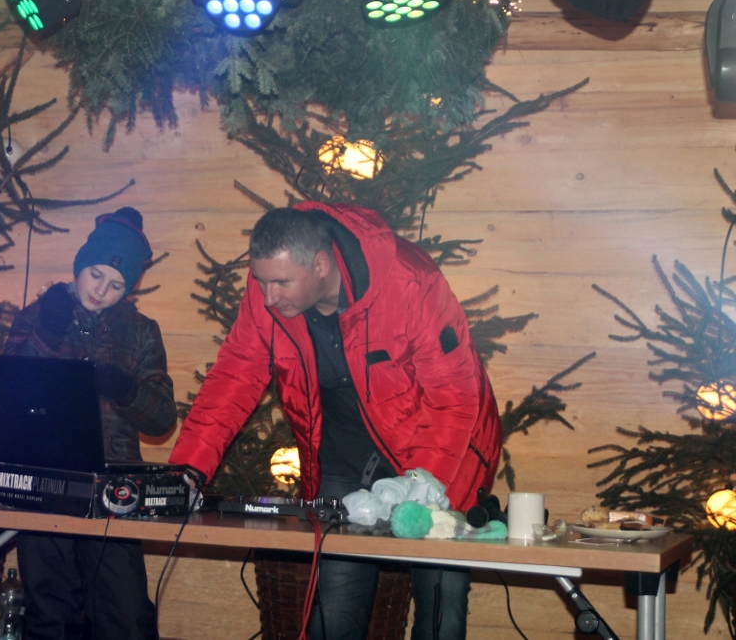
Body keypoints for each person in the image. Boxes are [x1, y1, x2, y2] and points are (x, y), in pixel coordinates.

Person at [169, 203, 501, 640]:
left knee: (442, 601)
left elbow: (454, 397)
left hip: (443, 452)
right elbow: (234, 377)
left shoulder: (409, 281)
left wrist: (418, 484)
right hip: (344, 462)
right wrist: (187, 471)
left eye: (281, 283)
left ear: (321, 264)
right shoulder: (268, 291)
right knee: (334, 608)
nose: (268, 297)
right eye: (261, 281)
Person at [4, 207, 177, 640]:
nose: (101, 290)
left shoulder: (142, 331)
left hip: (113, 489)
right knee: (49, 614)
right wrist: (47, 333)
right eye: (96, 275)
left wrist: (125, 388)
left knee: (124, 614)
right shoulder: (38, 315)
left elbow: (162, 419)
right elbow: (6, 393)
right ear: (80, 266)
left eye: (116, 285)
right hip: (44, 482)